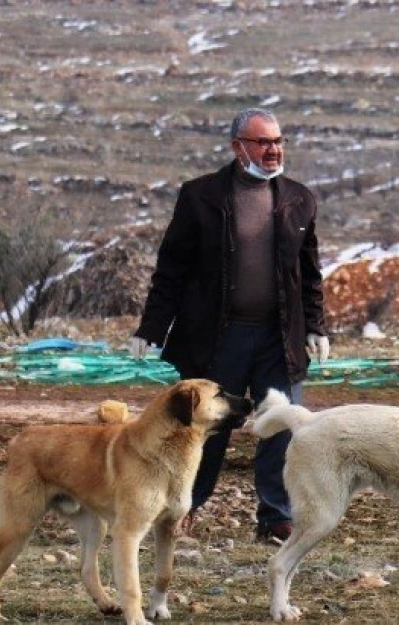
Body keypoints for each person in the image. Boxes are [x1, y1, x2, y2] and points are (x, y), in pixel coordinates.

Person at [128, 107, 330, 543]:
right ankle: (183, 507)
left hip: (280, 337)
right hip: (218, 337)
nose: (273, 150)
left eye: (278, 141)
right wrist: (152, 326)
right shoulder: (200, 197)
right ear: (238, 146)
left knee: (280, 423)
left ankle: (276, 518)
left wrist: (316, 325)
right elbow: (172, 268)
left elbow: (309, 272)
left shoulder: (299, 199)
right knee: (203, 426)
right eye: (263, 142)